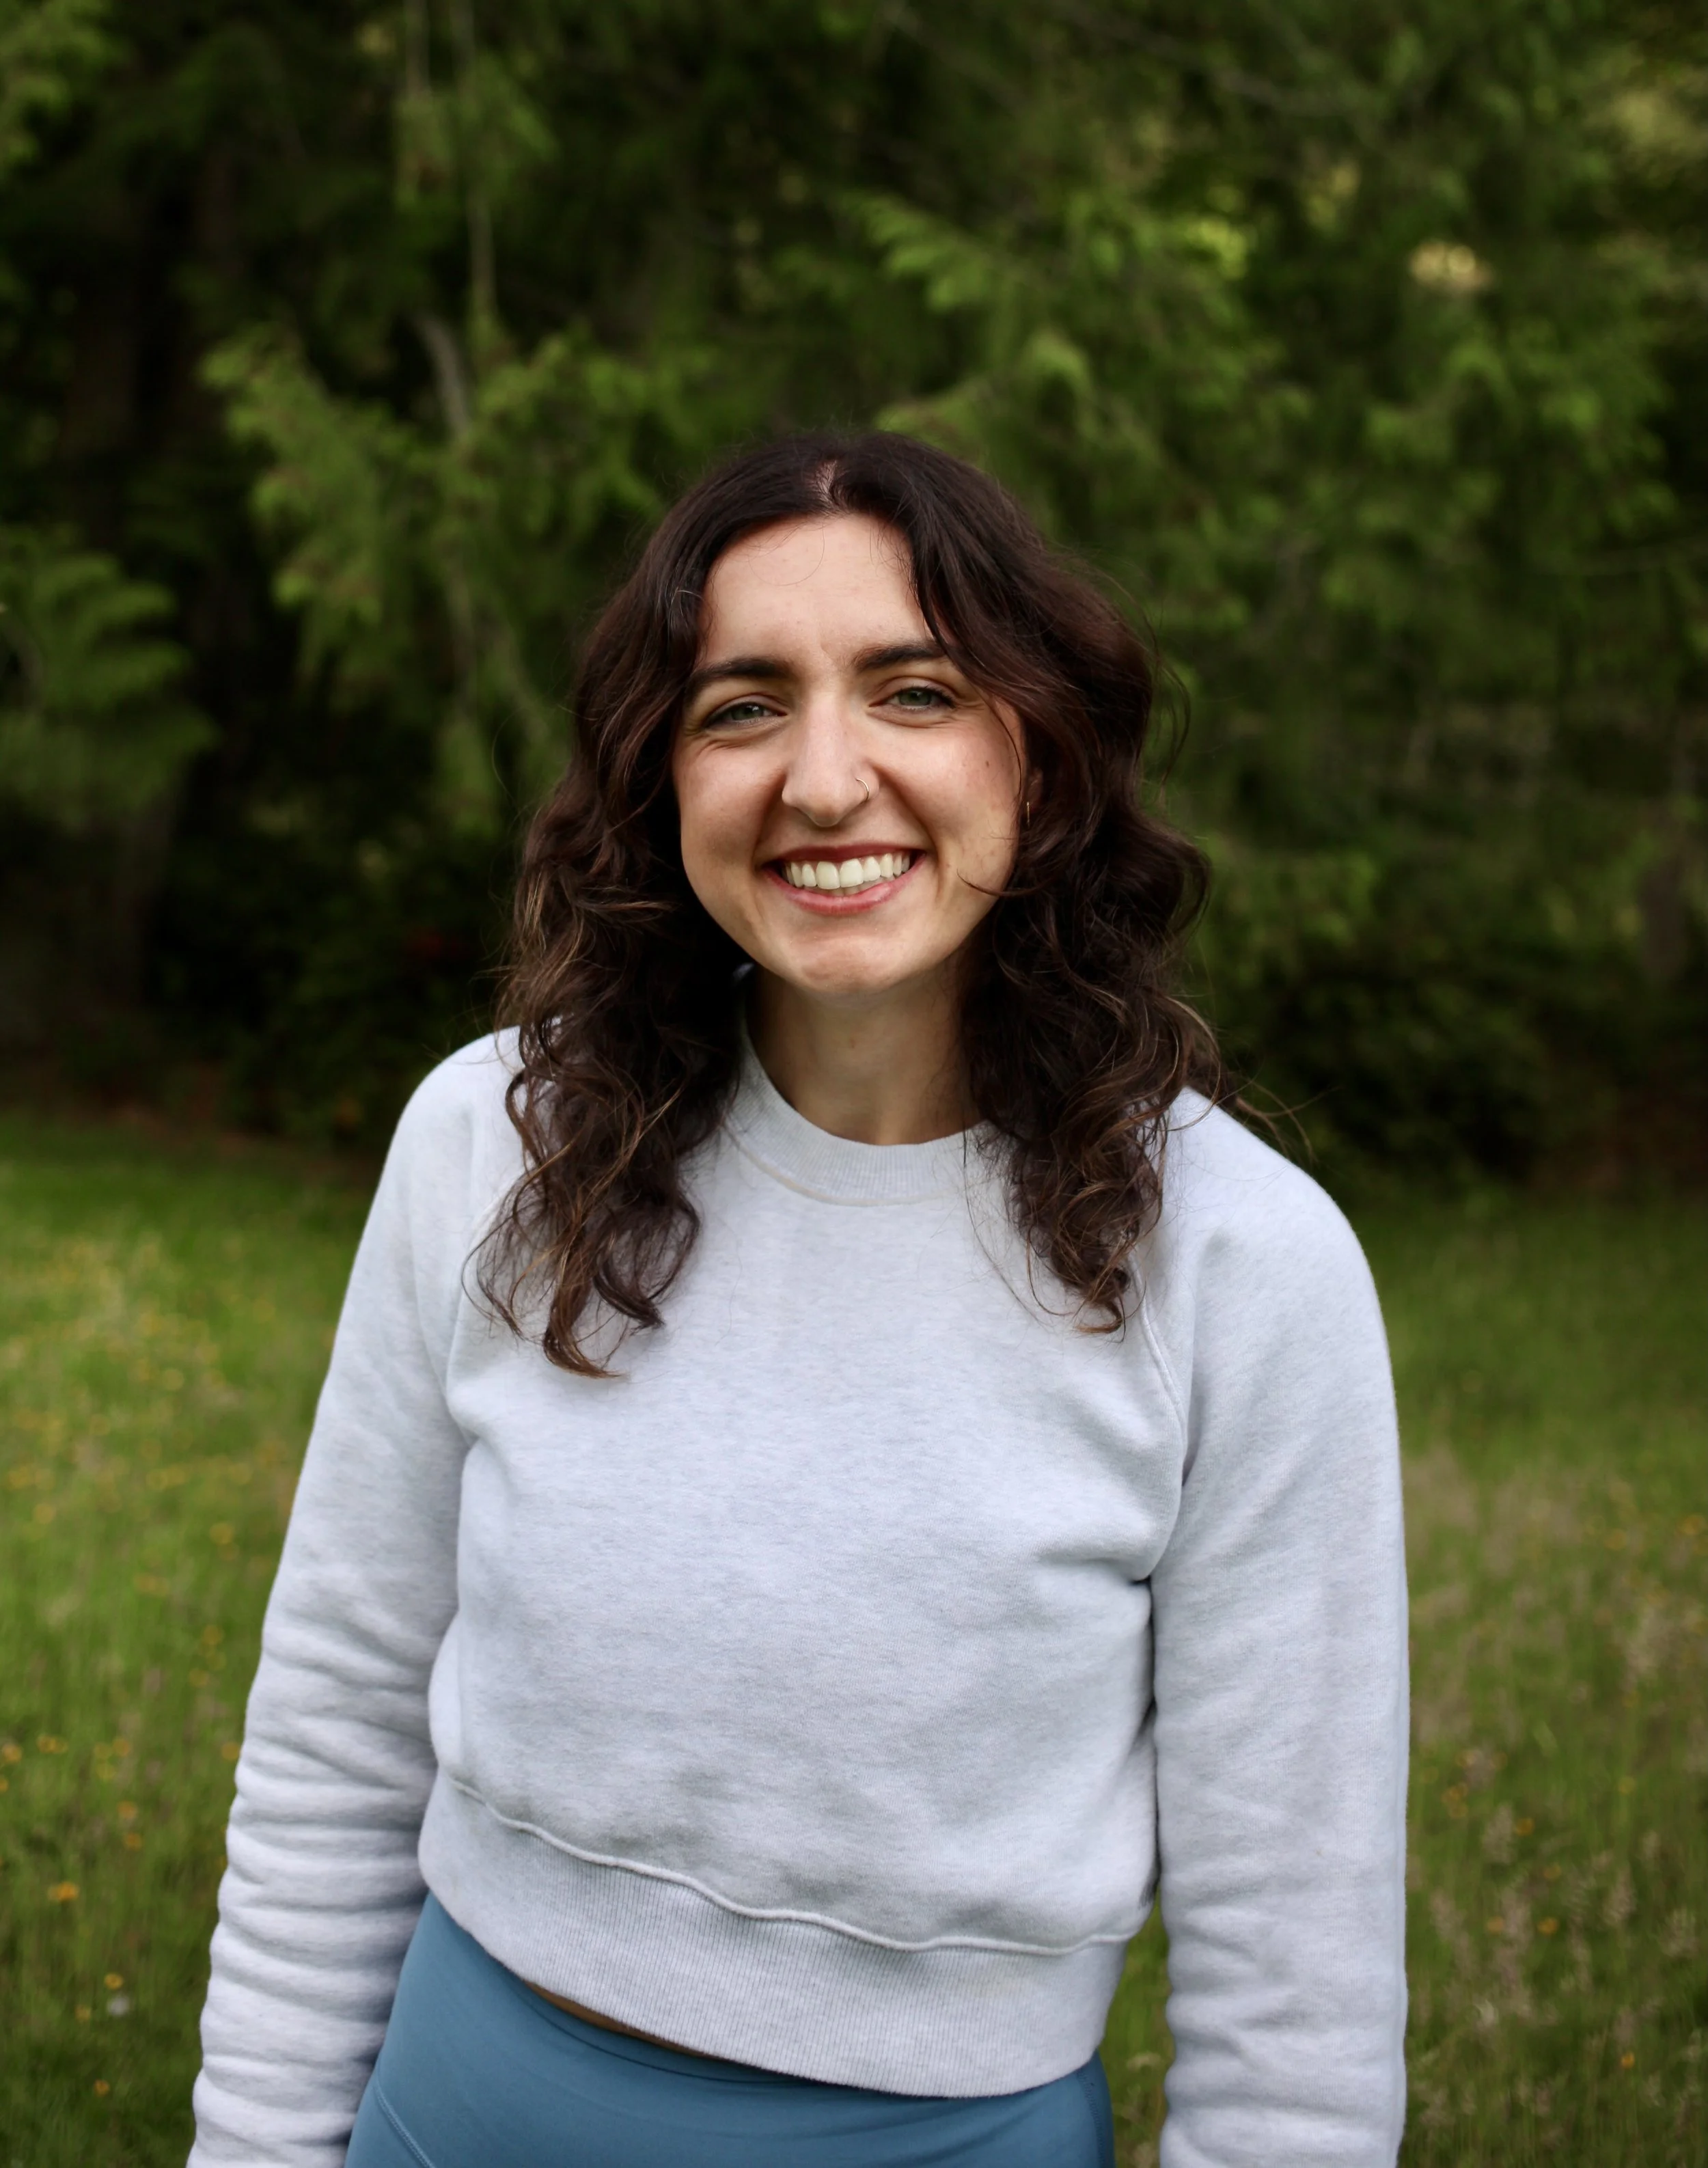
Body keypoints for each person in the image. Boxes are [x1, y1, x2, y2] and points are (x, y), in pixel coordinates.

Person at [189, 433, 1408, 2168]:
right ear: (660, 777)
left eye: (912, 689)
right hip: (449, 2112)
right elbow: (336, 1722)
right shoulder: (494, 1144)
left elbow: (1296, 1971)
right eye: (741, 704)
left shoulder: (1241, 1263)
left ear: (1039, 759)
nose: (823, 780)